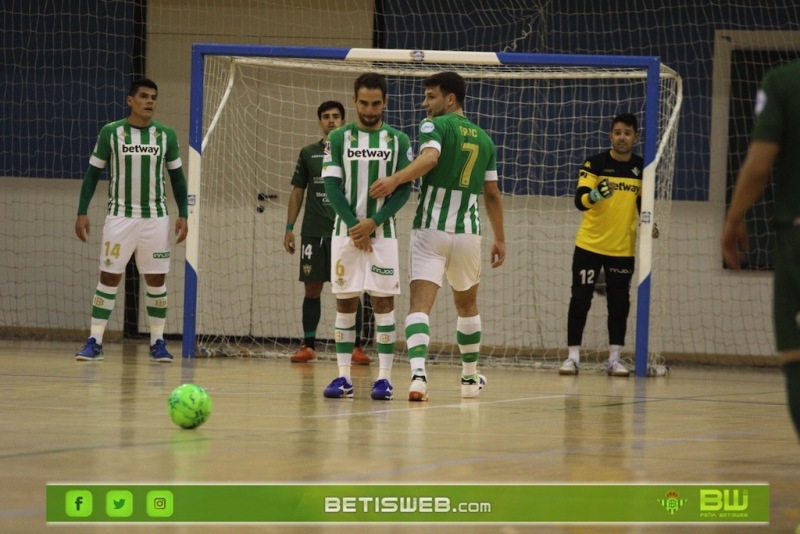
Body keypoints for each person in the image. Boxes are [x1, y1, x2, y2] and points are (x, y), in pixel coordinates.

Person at [369, 71, 506, 401]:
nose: (424, 103)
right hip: (468, 233)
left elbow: (430, 158)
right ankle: (470, 379)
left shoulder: (433, 126)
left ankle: (418, 378)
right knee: (467, 305)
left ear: (450, 99)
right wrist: (500, 238)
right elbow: (492, 193)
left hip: (431, 229)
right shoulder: (485, 139)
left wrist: (395, 180)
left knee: (419, 307)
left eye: (430, 96)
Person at [74, 78, 188, 362]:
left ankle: (158, 342)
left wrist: (184, 213)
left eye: (154, 97)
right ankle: (95, 341)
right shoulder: (111, 133)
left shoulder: (166, 135)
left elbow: (177, 178)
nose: (150, 101)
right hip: (120, 217)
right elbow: (92, 174)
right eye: (144, 96)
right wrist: (81, 211)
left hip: (156, 220)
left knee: (156, 279)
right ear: (130, 100)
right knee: (109, 276)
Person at [320, 72, 413, 400]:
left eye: (376, 103)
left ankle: (384, 379)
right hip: (345, 236)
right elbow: (331, 185)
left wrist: (373, 222)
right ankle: (343, 376)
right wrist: (353, 225)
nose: (370, 109)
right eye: (363, 103)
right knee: (345, 302)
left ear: (385, 102)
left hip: (383, 236)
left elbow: (404, 192)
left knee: (383, 302)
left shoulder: (399, 140)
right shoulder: (338, 138)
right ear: (355, 101)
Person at [722, 59, 800, 440]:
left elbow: (759, 165)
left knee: (795, 355)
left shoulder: (784, 81)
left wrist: (734, 217)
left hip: (796, 235)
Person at [283, 101, 371, 365]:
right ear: (319, 122)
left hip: (345, 232)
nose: (331, 121)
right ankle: (308, 345)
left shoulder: (353, 151)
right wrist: (289, 228)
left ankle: (355, 346)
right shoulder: (308, 153)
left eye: (335, 117)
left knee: (350, 290)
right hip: (313, 231)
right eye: (326, 117)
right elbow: (298, 191)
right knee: (312, 288)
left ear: (344, 121)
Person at [558, 113, 644, 377]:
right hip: (589, 246)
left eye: (627, 133)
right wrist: (594, 195)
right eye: (617, 132)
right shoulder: (594, 163)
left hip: (622, 249)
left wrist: (650, 224)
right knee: (580, 300)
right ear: (610, 136)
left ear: (635, 137)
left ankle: (615, 358)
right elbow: (580, 200)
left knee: (619, 304)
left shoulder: (642, 168)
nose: (622, 137)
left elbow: (644, 206)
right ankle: (572, 357)